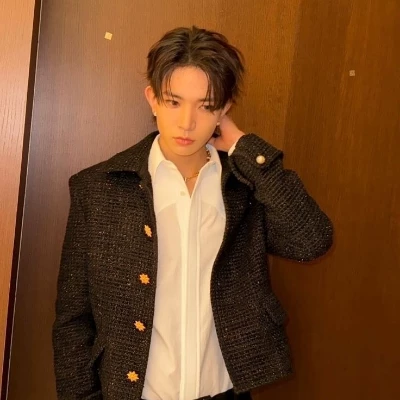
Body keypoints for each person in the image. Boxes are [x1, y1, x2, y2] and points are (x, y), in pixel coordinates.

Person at [52, 26, 333, 400]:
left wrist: (245, 148)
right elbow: (73, 320)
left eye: (206, 105)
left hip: (225, 394)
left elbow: (312, 240)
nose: (187, 122)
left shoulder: (244, 186)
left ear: (225, 109)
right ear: (152, 99)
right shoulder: (99, 188)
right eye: (174, 102)